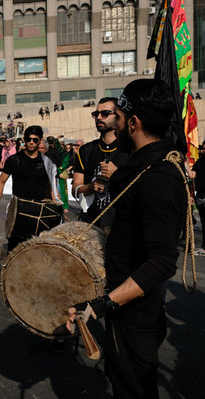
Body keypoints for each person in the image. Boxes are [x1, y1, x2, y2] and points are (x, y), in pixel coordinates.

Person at [67, 79, 187, 399]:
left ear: (133, 122)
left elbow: (162, 262)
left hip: (135, 316)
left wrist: (102, 305)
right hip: (127, 311)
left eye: (117, 117)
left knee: (133, 389)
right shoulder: (141, 168)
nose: (112, 124)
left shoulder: (158, 177)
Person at [0, 125, 59, 250]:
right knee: (14, 248)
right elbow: (1, 181)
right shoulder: (13, 160)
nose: (31, 142)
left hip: (40, 209)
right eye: (29, 139)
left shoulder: (47, 162)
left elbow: (51, 186)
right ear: (25, 140)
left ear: (40, 141)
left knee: (39, 249)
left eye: (35, 140)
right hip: (18, 209)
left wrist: (56, 205)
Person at [72, 97, 129, 229]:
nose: (99, 117)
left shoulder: (130, 149)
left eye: (105, 114)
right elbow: (75, 189)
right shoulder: (85, 150)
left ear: (118, 116)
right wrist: (91, 187)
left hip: (122, 225)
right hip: (90, 225)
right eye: (96, 114)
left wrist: (117, 175)